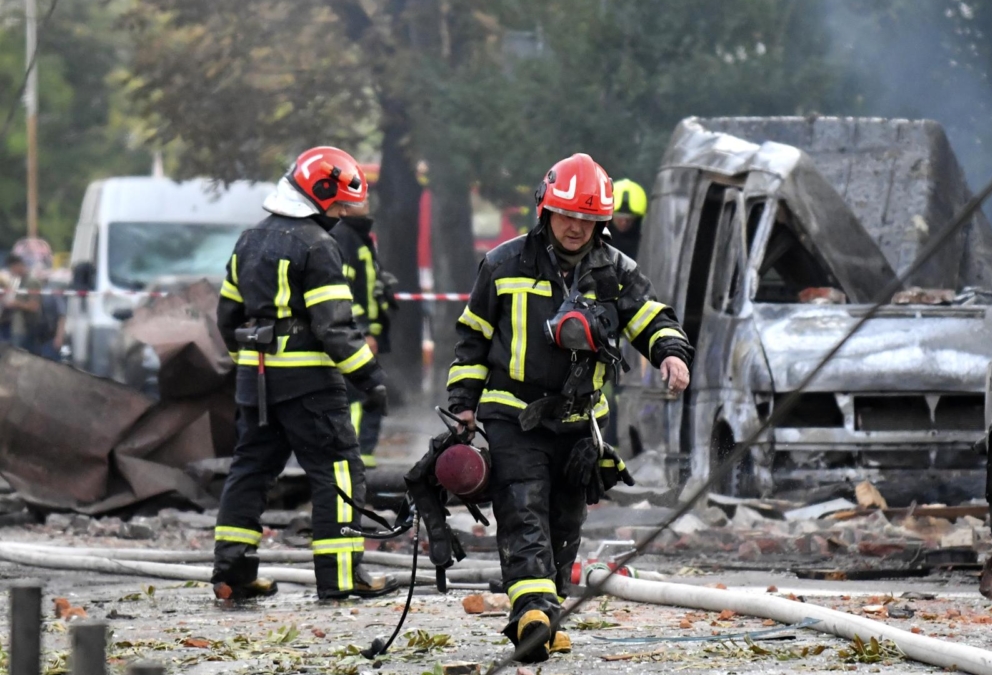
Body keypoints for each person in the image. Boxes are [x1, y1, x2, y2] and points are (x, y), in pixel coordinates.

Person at [446, 153, 693, 662]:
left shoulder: (616, 271)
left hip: (581, 421)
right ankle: (530, 611)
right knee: (521, 505)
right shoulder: (502, 264)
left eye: (587, 218)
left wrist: (671, 353)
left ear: (600, 221)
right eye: (567, 215)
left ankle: (546, 611)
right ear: (545, 210)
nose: (576, 227)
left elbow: (651, 318)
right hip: (512, 412)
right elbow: (472, 340)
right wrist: (463, 407)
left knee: (565, 519)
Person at [212, 146, 401, 602]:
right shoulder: (318, 246)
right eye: (338, 205)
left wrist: (250, 371)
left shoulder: (248, 240)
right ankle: (339, 578)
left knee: (250, 471)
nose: (340, 214)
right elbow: (334, 326)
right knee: (337, 471)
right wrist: (370, 380)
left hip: (255, 382)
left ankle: (232, 573)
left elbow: (226, 319)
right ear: (317, 195)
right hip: (310, 385)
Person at [330, 213, 400, 468]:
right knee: (362, 393)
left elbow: (364, 283)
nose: (367, 203)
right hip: (358, 334)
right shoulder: (344, 236)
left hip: (367, 334)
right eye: (361, 199)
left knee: (370, 391)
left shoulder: (360, 238)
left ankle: (363, 454)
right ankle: (355, 453)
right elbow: (345, 289)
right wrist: (364, 330)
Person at [0, 254, 42, 351]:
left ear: (18, 265)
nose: (11, 271)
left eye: (12, 268)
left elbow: (34, 306)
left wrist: (15, 303)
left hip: (26, 327)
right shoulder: (19, 281)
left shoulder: (31, 282)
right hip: (16, 325)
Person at [607, 178, 647, 260]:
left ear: (637, 220)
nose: (624, 222)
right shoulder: (594, 241)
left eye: (629, 219)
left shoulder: (646, 243)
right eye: (619, 218)